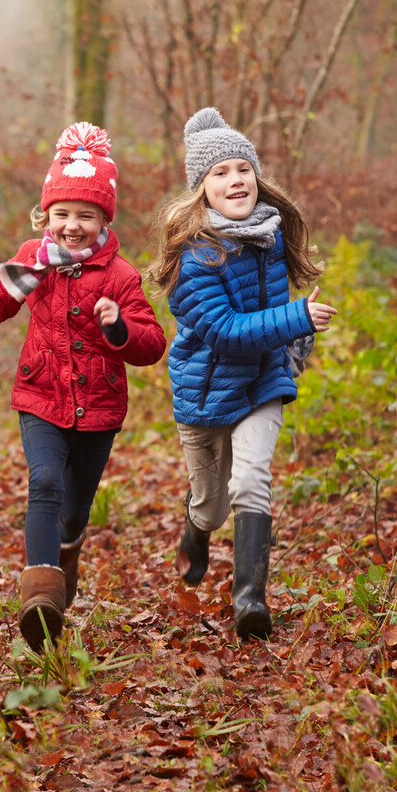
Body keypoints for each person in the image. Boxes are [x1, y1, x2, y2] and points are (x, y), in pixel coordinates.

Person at [0, 122, 166, 652]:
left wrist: (118, 328)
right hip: (41, 396)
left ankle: (67, 554)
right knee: (44, 483)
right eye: (62, 214)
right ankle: (39, 591)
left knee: (76, 507)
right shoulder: (34, 261)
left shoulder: (121, 276)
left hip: (100, 406)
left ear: (104, 219)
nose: (72, 226)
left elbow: (151, 344)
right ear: (46, 216)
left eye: (86, 215)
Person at [147, 107, 337, 641]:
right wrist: (295, 317)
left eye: (242, 169)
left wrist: (296, 337)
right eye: (220, 173)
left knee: (251, 479)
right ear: (200, 189)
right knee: (212, 504)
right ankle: (197, 526)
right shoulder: (194, 258)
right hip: (206, 392)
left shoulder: (271, 236)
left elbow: (271, 315)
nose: (235, 180)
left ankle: (250, 598)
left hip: (262, 383)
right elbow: (227, 330)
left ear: (257, 176)